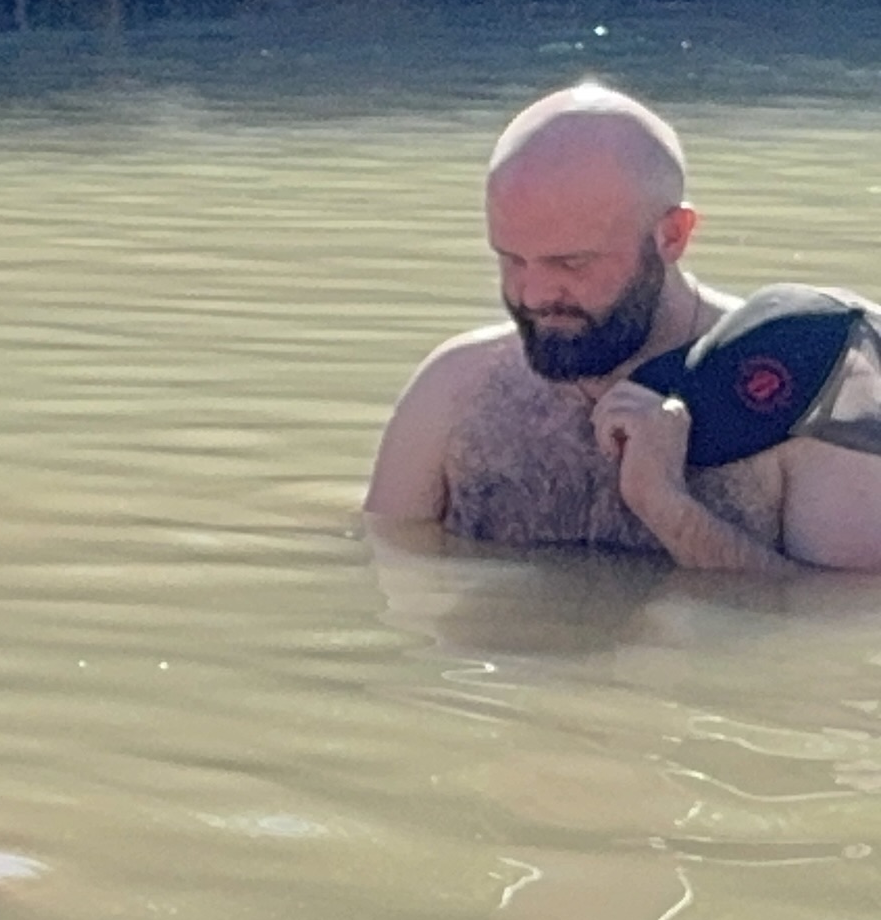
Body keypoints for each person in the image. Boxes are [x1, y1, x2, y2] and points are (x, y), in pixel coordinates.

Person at [368, 84, 881, 573]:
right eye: (512, 260)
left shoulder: (818, 389)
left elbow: (842, 616)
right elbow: (379, 569)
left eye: (571, 263)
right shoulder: (454, 387)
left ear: (672, 236)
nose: (534, 295)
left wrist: (666, 505)